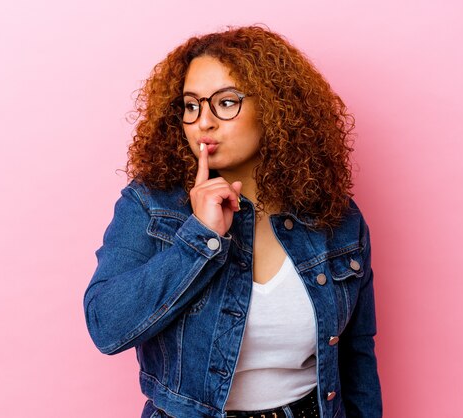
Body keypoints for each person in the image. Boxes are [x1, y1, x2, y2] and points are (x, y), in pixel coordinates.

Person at [83, 25, 382, 418]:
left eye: (225, 102)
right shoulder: (151, 205)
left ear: (275, 108)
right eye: (191, 105)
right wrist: (200, 239)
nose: (203, 122)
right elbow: (106, 326)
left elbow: (356, 355)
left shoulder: (335, 219)